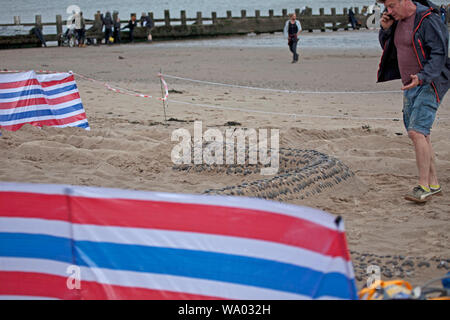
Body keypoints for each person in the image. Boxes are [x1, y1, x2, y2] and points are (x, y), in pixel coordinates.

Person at [377, 0, 450, 203]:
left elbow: (439, 54)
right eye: (386, 7)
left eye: (391, 5)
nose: (388, 11)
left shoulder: (428, 19)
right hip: (409, 84)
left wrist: (423, 76)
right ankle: (434, 184)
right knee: (420, 135)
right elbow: (390, 47)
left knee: (416, 132)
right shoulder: (397, 19)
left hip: (430, 81)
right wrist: (385, 30)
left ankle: (423, 186)